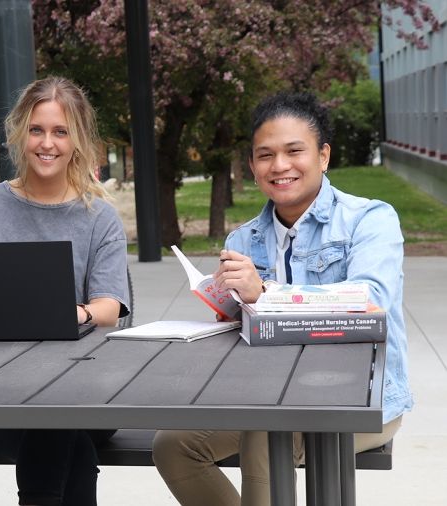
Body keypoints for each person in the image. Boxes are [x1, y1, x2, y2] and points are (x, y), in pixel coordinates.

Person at [152, 91, 412, 506]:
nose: (279, 165)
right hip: (268, 396)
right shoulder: (242, 240)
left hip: (360, 402)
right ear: (252, 166)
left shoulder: (369, 219)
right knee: (174, 446)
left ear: (323, 156)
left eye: (294, 151)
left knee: (265, 433)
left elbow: (371, 299)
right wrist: (229, 314)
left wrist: (267, 294)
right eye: (265, 155)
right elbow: (243, 335)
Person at [0, 76, 131, 506]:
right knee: (68, 442)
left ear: (77, 140)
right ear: (19, 134)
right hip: (1, 394)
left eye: (60, 131)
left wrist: (74, 313)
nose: (47, 143)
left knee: (57, 414)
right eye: (36, 130)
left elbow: (109, 307)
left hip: (86, 390)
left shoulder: (99, 217)